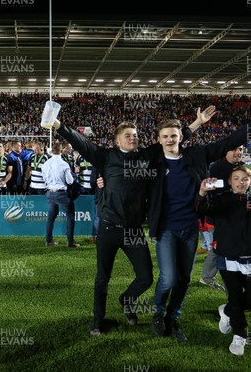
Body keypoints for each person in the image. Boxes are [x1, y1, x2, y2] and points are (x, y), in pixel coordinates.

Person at [51, 105, 217, 336]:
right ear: (117, 141)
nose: (133, 138)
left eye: (136, 135)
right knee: (102, 278)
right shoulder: (105, 156)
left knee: (146, 277)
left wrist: (197, 122)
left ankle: (127, 300)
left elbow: (176, 138)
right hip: (109, 227)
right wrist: (57, 124)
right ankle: (97, 320)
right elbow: (79, 141)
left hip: (134, 231)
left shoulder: (146, 156)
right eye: (128, 135)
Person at [148, 100, 251, 343]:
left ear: (181, 137)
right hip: (166, 228)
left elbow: (230, 141)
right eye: (165, 136)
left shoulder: (197, 154)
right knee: (169, 277)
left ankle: (173, 316)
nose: (170, 140)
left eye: (174, 135)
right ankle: (158, 313)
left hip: (190, 228)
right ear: (158, 139)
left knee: (184, 279)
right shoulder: (152, 161)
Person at [196, 166, 251, 356]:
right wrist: (203, 192)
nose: (240, 182)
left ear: (250, 182)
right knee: (236, 298)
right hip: (227, 257)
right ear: (230, 182)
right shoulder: (221, 199)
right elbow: (201, 209)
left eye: (244, 179)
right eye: (236, 178)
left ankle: (227, 310)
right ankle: (240, 336)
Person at [199, 146, 245, 292]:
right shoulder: (216, 166)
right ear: (225, 151)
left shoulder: (240, 166)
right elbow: (210, 186)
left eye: (241, 150)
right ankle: (213, 278)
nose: (238, 152)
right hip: (217, 215)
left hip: (237, 214)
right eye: (235, 149)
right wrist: (234, 184)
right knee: (219, 247)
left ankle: (211, 277)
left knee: (223, 247)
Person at [41, 141, 79, 249]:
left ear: (52, 151)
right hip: (61, 193)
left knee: (51, 217)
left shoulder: (45, 164)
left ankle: (48, 240)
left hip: (49, 192)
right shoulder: (63, 164)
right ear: (61, 151)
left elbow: (44, 179)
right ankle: (70, 242)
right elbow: (70, 181)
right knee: (70, 216)